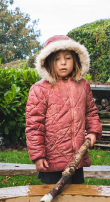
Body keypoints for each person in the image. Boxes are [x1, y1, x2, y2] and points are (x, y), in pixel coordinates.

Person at [25, 35, 102, 184]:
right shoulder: (39, 89)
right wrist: (38, 155)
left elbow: (91, 111)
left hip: (77, 159)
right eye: (57, 59)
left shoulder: (83, 85)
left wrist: (93, 131)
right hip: (51, 160)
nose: (62, 63)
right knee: (53, 201)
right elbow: (34, 126)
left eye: (68, 58)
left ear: (76, 59)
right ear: (48, 61)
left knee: (75, 198)